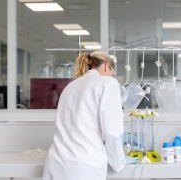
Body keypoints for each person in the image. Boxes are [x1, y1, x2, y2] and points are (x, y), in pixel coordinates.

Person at [43, 51, 126, 180]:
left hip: (55, 164)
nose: (113, 77)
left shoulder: (70, 86)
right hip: (83, 167)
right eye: (113, 74)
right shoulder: (107, 83)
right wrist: (119, 163)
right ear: (105, 66)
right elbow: (112, 132)